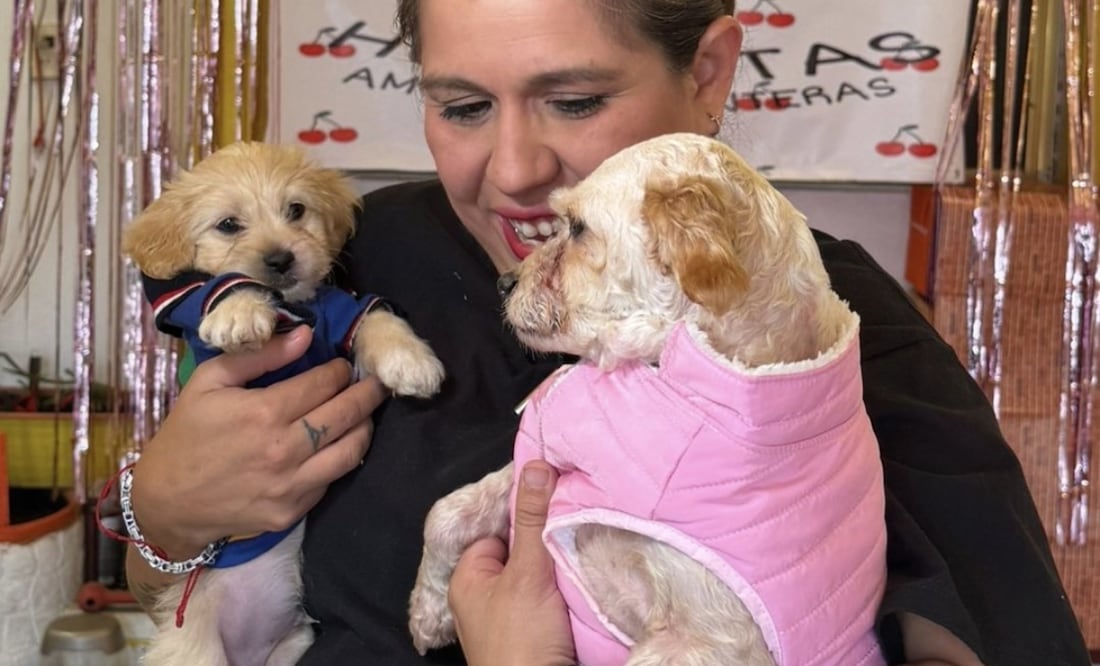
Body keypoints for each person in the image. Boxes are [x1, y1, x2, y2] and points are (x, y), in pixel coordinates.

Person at [123, 0, 1092, 664]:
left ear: (706, 73)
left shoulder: (814, 344)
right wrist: (162, 511)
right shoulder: (355, 255)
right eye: (461, 106)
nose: (513, 169)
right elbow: (170, 571)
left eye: (575, 101)